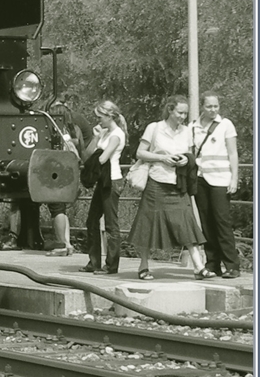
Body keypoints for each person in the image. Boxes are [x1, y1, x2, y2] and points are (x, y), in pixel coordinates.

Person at [128, 95, 214, 280]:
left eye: (185, 113)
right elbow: (140, 152)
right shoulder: (154, 128)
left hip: (178, 183)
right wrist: (162, 158)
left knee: (186, 222)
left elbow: (190, 154)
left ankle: (199, 267)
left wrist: (185, 159)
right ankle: (143, 266)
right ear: (170, 110)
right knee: (147, 224)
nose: (183, 116)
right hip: (156, 182)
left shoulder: (186, 131)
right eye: (179, 112)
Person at [192, 92, 240, 279]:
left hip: (221, 179)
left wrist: (234, 178)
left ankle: (232, 265)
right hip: (201, 178)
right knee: (206, 222)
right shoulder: (193, 127)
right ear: (202, 107)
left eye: (216, 106)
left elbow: (233, 153)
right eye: (209, 106)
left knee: (222, 222)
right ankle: (212, 264)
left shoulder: (225, 125)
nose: (213, 110)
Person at [81, 100, 126, 274]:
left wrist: (93, 161)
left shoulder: (117, 135)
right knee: (92, 220)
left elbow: (102, 158)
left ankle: (112, 264)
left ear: (109, 116)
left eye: (100, 117)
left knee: (111, 224)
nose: (98, 120)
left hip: (112, 180)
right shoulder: (106, 134)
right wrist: (97, 137)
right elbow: (89, 153)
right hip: (103, 180)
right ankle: (94, 261)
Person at [44, 101, 83, 256]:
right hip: (69, 174)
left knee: (57, 209)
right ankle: (68, 243)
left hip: (57, 173)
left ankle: (62, 243)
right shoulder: (71, 131)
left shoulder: (57, 133)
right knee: (62, 209)